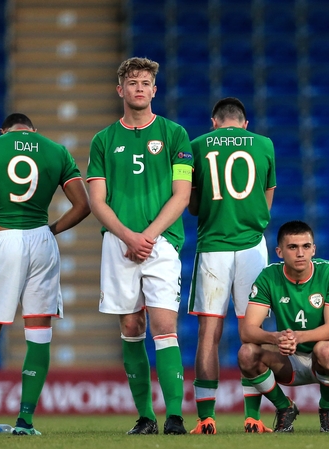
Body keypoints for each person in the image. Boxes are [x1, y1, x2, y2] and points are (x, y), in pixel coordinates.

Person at [0, 113, 90, 436]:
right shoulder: (57, 151)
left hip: (5, 236)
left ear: (4, 130)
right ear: (33, 130)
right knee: (39, 331)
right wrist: (51, 230)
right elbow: (83, 205)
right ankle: (25, 423)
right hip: (42, 240)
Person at [86, 57, 193, 435]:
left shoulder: (174, 134)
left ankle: (176, 417)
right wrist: (128, 237)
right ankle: (146, 416)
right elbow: (97, 201)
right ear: (120, 90)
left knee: (165, 327)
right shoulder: (102, 140)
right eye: (132, 82)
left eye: (146, 82)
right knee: (132, 325)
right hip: (118, 244)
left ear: (155, 90)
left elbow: (182, 195)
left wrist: (147, 236)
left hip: (162, 243)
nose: (139, 88)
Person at [186, 97, 276, 434]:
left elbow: (192, 205)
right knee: (253, 333)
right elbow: (267, 201)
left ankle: (206, 419)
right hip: (253, 245)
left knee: (209, 335)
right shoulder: (264, 144)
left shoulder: (198, 145)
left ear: (214, 122)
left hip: (213, 246)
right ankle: (253, 417)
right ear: (245, 123)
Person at [237, 220, 329, 433]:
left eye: (306, 247)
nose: (300, 253)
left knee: (325, 349)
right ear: (279, 252)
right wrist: (277, 338)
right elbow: (247, 330)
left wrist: (297, 337)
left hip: (325, 356)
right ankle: (284, 407)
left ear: (314, 249)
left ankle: (327, 409)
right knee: (247, 353)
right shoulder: (269, 276)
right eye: (293, 247)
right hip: (288, 356)